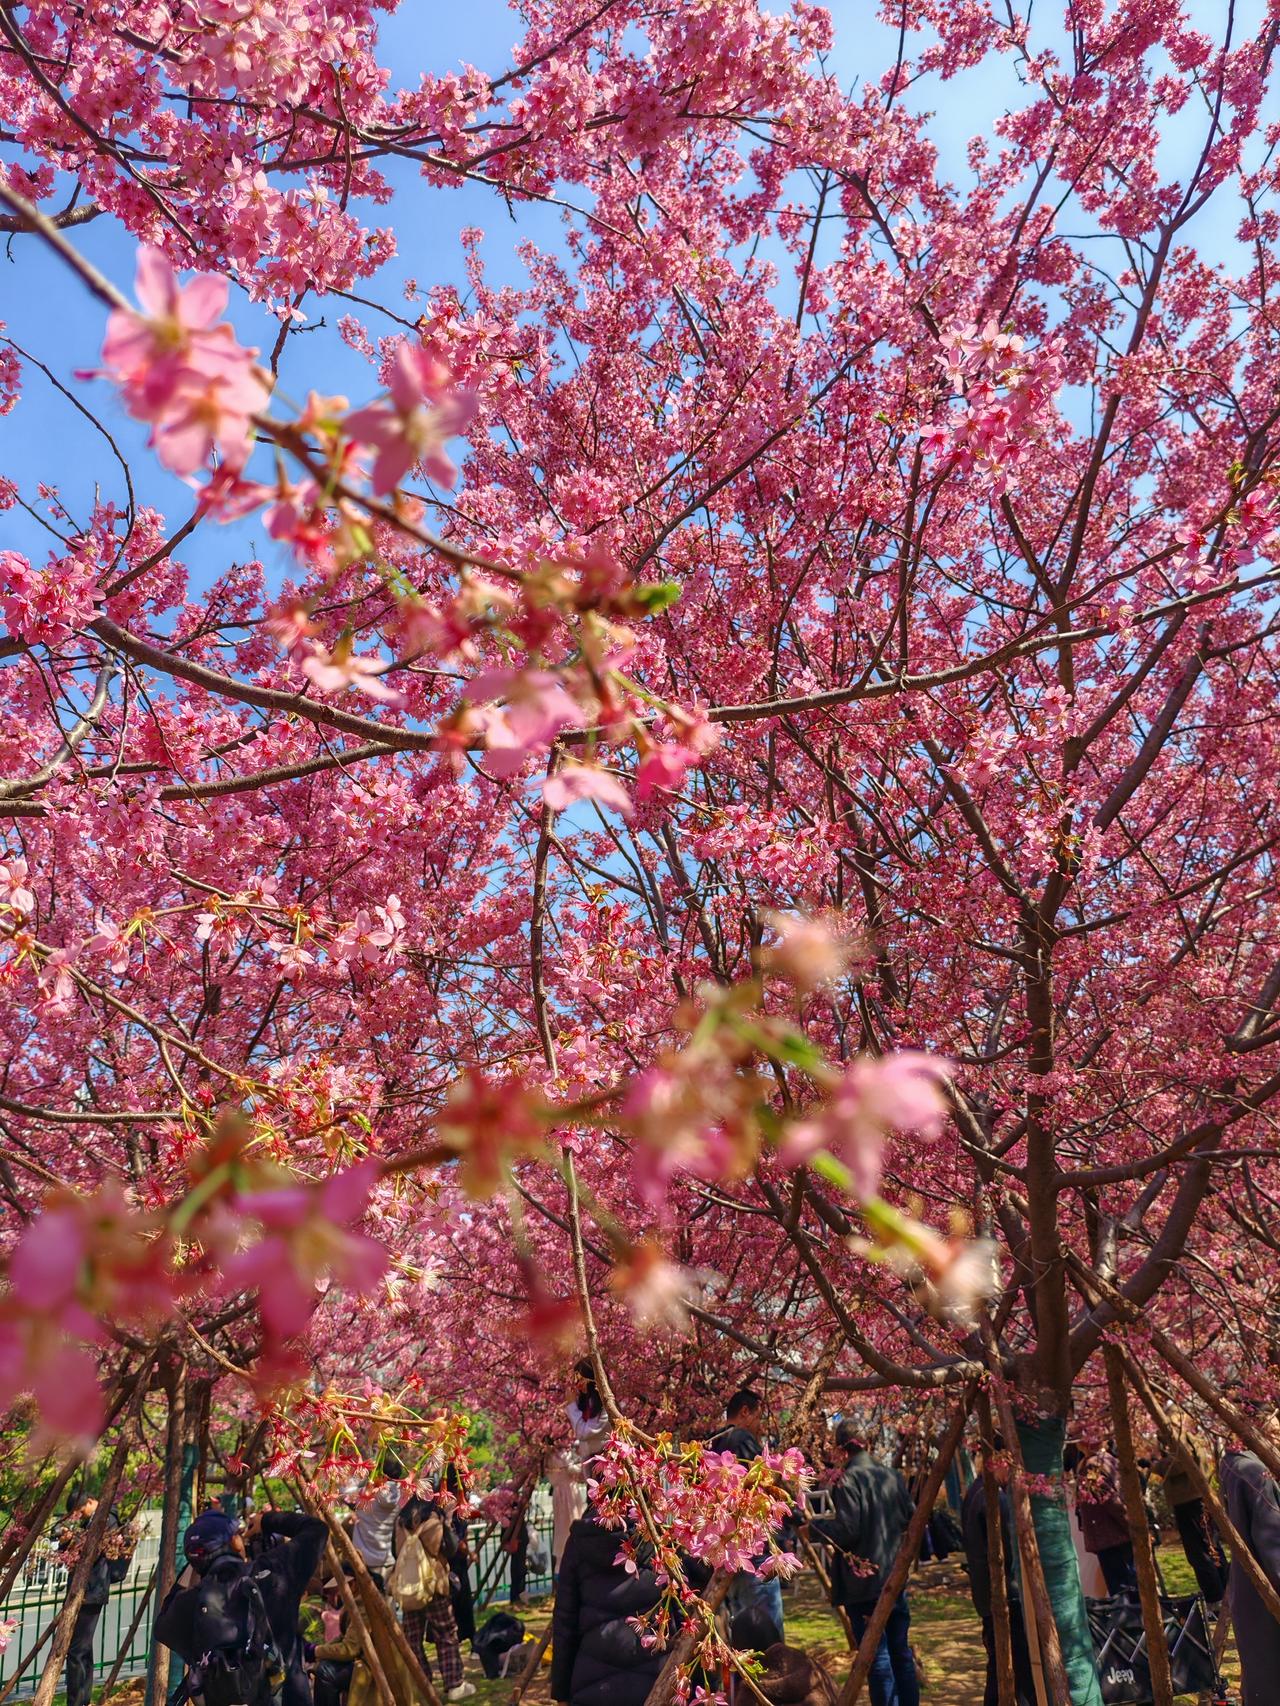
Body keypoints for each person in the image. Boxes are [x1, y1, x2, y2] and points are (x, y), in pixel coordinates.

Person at [156, 1505, 327, 1706]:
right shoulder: (274, 1573)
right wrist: (266, 1520)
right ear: (235, 1543)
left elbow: (162, 1626)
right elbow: (317, 1529)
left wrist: (192, 1567)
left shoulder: (187, 1604)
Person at [806, 1422, 919, 1706]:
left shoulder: (847, 1480)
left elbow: (847, 1531)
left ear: (842, 1449)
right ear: (867, 1444)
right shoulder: (893, 1477)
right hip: (894, 1580)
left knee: (876, 1657)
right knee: (900, 1652)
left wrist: (814, 1528)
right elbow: (911, 1518)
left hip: (863, 1586)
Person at [551, 1504, 708, 1706]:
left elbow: (565, 1622)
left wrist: (561, 1692)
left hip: (592, 1685)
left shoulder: (579, 1541)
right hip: (655, 1679)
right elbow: (685, 1614)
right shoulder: (658, 1537)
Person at [709, 1389, 786, 1641]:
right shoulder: (741, 1437)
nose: (760, 1427)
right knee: (767, 1637)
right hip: (754, 1551)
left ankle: (743, 1681)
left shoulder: (716, 1443)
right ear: (745, 1412)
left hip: (729, 1551)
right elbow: (761, 1483)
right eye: (759, 1418)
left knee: (741, 1635)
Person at [960, 1456, 1036, 1705]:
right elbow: (1009, 1550)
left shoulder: (975, 1491)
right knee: (1017, 1665)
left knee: (999, 1662)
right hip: (1002, 1592)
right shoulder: (992, 1498)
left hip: (988, 1592)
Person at [392, 1491, 476, 1700]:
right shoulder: (432, 1520)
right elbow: (450, 1547)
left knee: (413, 1638)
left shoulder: (400, 1522)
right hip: (433, 1584)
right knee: (446, 1633)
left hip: (410, 1587)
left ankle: (422, 1683)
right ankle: (454, 1684)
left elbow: (396, 1552)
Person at [54, 1492, 135, 1706]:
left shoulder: (107, 1518)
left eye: (80, 1511)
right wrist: (65, 1542)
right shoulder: (92, 1520)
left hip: (92, 1591)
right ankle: (83, 1699)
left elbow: (92, 1549)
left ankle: (77, 1701)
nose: (79, 1516)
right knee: (83, 1649)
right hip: (86, 1589)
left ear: (90, 1502)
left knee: (76, 1651)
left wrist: (74, 1539)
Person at [1221, 1435, 1280, 1706]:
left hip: (1248, 1587)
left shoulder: (1233, 1462)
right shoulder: (1255, 1472)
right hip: (1266, 1593)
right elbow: (1274, 1547)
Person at [552, 1360, 613, 1569]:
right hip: (592, 1470)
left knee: (605, 1514)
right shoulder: (586, 1404)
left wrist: (570, 1407)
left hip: (606, 1470)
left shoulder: (606, 1402)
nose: (576, 1384)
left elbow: (586, 1432)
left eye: (579, 1379)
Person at [1156, 1431, 1228, 1604]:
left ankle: (1217, 1598)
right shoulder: (1180, 1428)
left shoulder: (1173, 1428)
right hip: (1194, 1499)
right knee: (1209, 1548)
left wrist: (1157, 1466)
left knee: (1201, 1553)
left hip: (1190, 1501)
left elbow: (1183, 1462)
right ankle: (1225, 1594)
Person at [1075, 1441, 1137, 1597]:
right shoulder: (1110, 1459)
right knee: (1130, 1584)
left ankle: (1133, 1620)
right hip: (1117, 1534)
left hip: (1110, 1536)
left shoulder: (1092, 1466)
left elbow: (1109, 1499)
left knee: (1123, 1589)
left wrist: (1129, 1524)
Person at [349, 1454, 406, 1582]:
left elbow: (345, 1491)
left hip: (364, 1559)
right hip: (388, 1558)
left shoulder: (365, 1492)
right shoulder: (403, 1495)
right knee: (384, 1599)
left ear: (380, 1473)